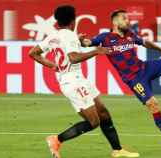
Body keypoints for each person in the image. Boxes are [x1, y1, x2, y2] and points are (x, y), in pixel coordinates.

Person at [82, 9, 161, 151]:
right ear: (115, 21)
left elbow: (145, 43)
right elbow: (88, 42)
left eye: (127, 19)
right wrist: (81, 40)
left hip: (144, 67)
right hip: (134, 79)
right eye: (124, 18)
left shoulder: (130, 35)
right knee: (153, 104)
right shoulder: (105, 37)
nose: (128, 21)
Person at [29, 5, 139, 158]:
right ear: (73, 20)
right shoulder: (69, 36)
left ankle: (117, 150)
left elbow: (33, 53)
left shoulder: (54, 36)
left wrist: (53, 65)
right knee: (93, 122)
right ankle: (56, 139)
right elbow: (73, 57)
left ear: (58, 21)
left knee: (104, 113)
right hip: (73, 83)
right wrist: (95, 51)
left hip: (79, 79)